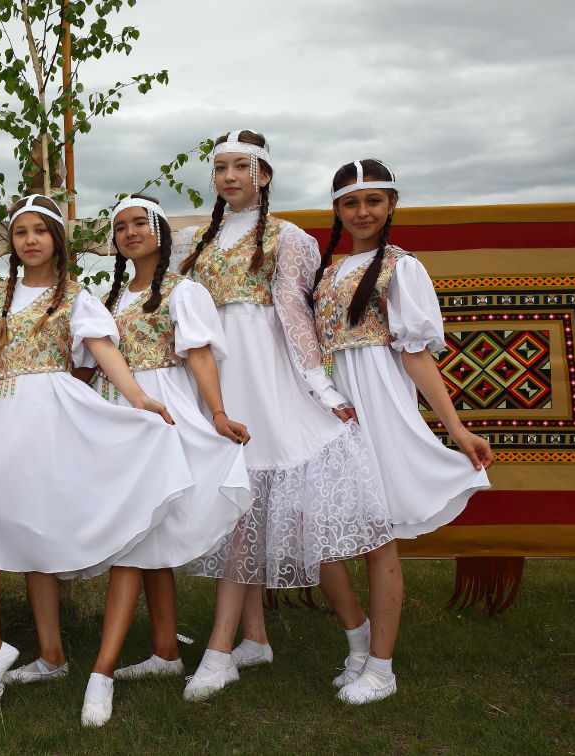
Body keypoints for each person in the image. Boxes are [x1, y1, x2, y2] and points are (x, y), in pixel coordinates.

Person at [0, 194, 193, 711]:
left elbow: (103, 349)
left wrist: (138, 398)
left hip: (48, 417)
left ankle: (52, 654)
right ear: (12, 242)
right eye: (21, 232)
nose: (30, 240)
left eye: (40, 230)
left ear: (57, 240)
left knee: (34, 527)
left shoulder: (76, 297)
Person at [174, 130, 391, 701]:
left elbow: (295, 314)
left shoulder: (288, 237)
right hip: (218, 378)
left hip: (269, 377)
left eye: (240, 167)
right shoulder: (195, 241)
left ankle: (356, 638)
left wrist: (320, 388)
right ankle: (250, 641)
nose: (228, 177)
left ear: (264, 174)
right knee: (237, 511)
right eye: (220, 168)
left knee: (299, 517)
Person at [312, 158, 493, 703]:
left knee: (377, 537)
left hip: (379, 402)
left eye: (373, 200)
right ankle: (358, 642)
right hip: (331, 404)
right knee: (321, 534)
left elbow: (415, 355)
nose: (362, 212)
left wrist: (455, 429)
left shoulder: (401, 267)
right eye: (350, 202)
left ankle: (381, 667)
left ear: (392, 204)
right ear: (337, 210)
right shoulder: (327, 272)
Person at [79, 194, 253, 727]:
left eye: (140, 223)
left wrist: (218, 413)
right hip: (121, 414)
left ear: (160, 231)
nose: (130, 233)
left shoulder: (183, 291)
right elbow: (89, 364)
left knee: (134, 536)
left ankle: (101, 672)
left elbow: (198, 353)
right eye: (120, 227)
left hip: (163, 412)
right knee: (143, 532)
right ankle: (165, 651)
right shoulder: (108, 299)